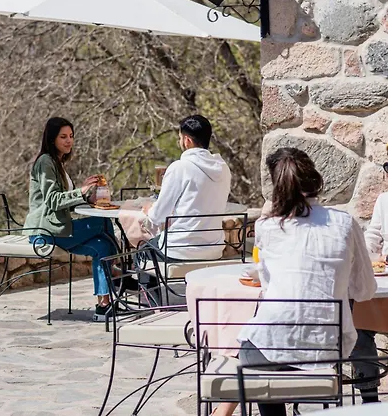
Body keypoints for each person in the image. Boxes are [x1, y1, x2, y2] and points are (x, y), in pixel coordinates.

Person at [213, 147, 377, 416]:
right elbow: (364, 290)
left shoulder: (268, 226)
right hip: (327, 350)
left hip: (268, 347)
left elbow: (268, 289)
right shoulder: (345, 223)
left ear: (277, 186)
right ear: (315, 179)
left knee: (258, 351)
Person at [23, 117, 118, 322]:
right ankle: (117, 271)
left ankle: (103, 306)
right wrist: (81, 191)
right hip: (44, 232)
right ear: (52, 139)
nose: (69, 141)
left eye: (71, 136)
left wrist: (87, 197)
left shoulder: (57, 163)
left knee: (102, 246)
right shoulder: (45, 162)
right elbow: (53, 201)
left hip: (57, 228)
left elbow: (64, 201)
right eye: (63, 137)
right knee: (103, 223)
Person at [142, 114, 231, 261]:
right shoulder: (223, 168)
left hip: (179, 248)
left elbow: (158, 216)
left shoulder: (180, 167)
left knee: (140, 254)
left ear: (187, 140)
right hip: (214, 248)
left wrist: (149, 210)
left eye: (180, 138)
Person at [351, 166, 388, 403]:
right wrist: (361, 254)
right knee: (359, 325)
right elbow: (374, 233)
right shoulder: (384, 200)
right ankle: (370, 398)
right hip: (383, 286)